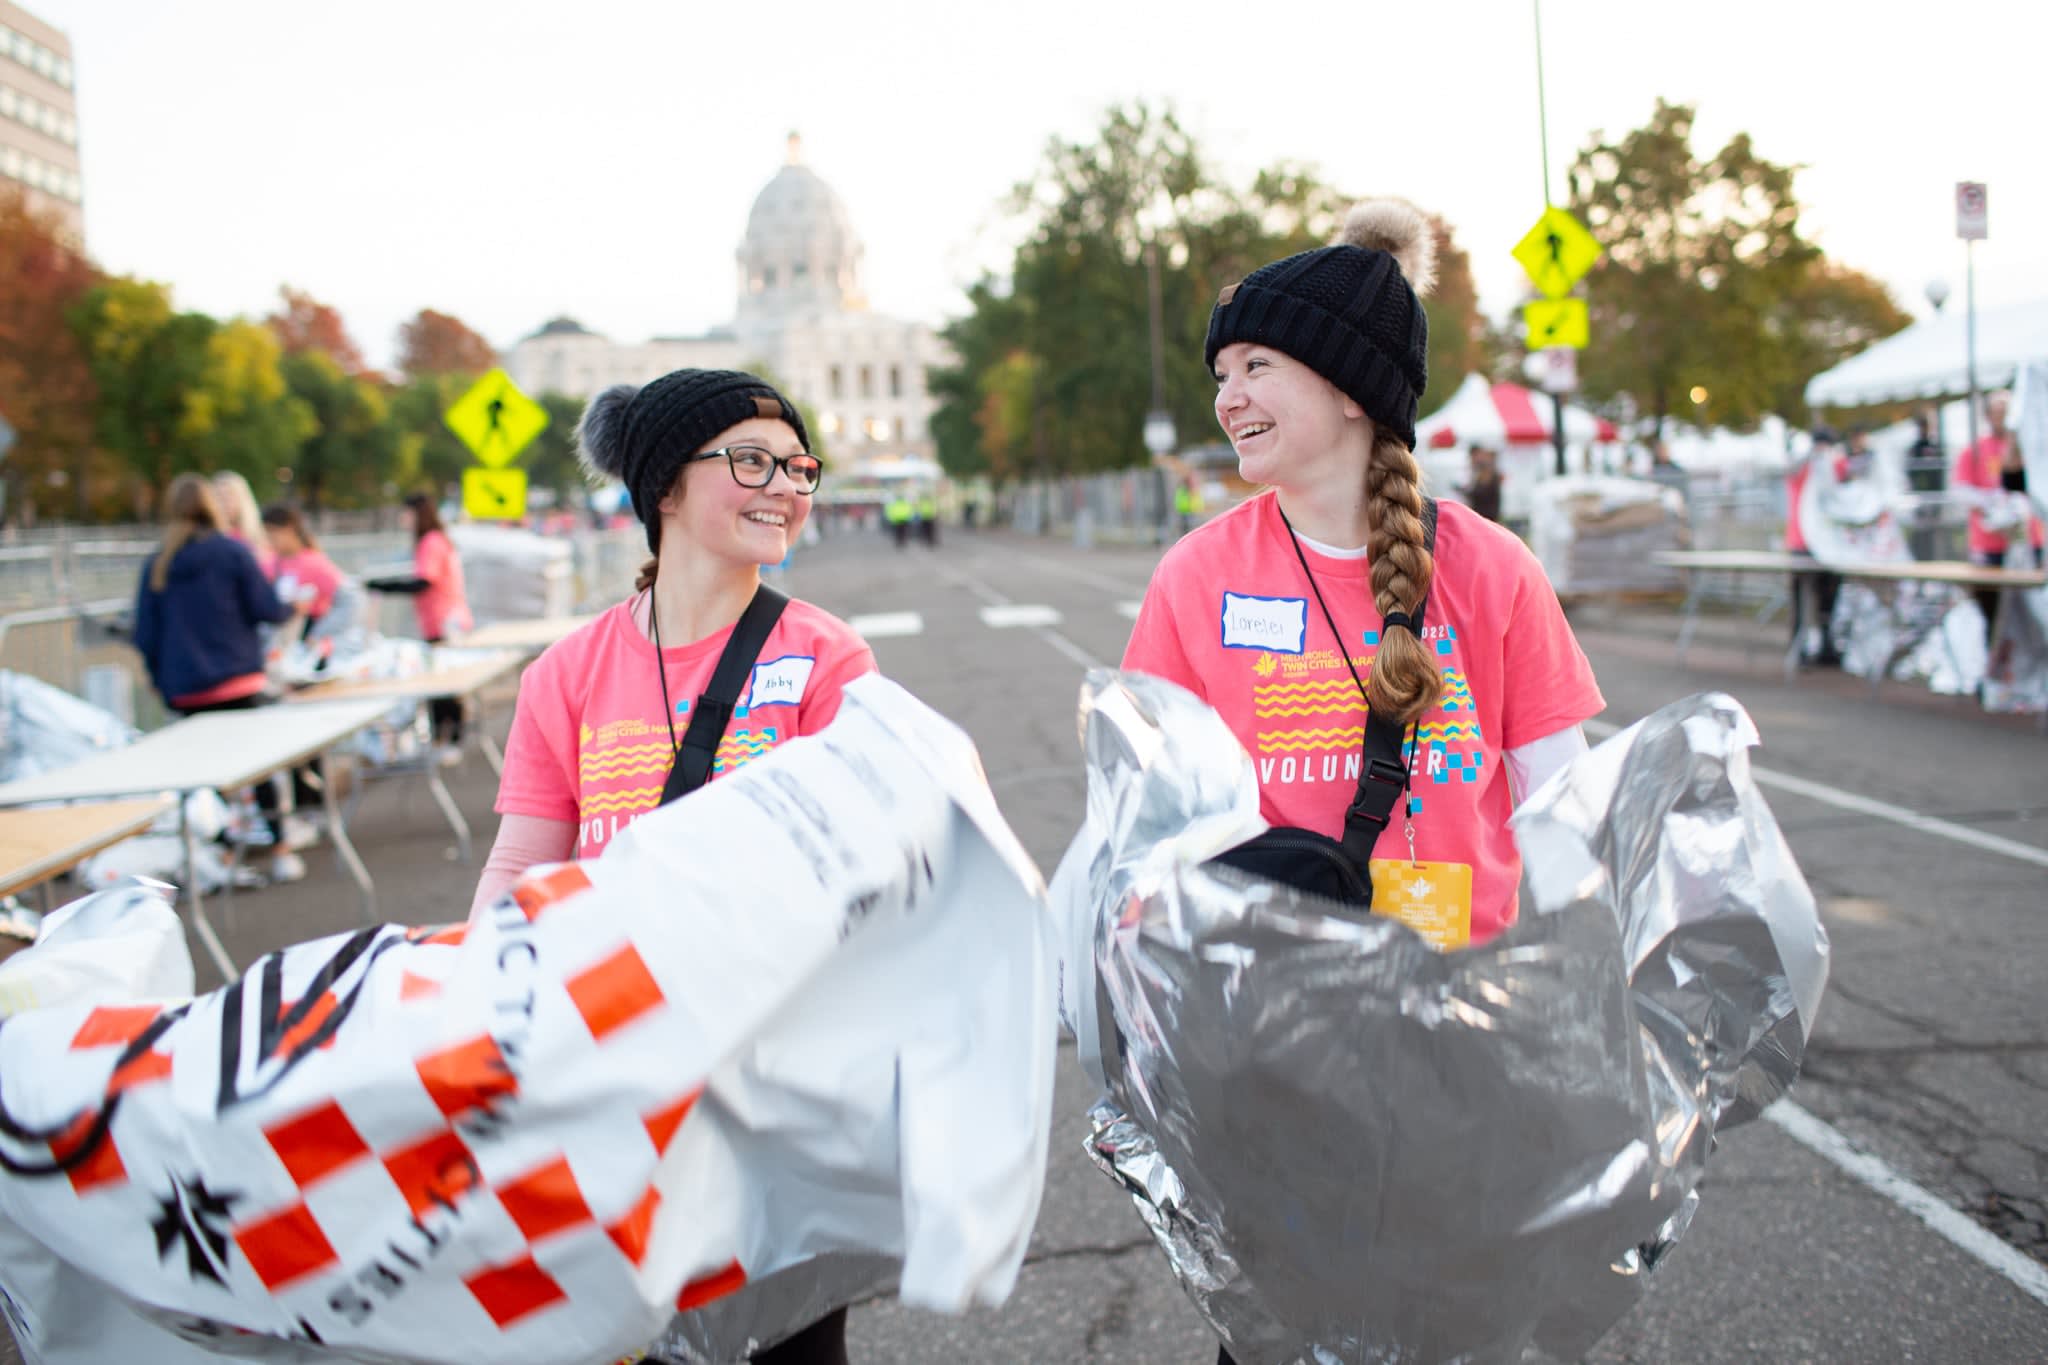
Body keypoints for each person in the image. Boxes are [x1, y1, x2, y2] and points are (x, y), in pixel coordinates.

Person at [473, 369, 876, 1365]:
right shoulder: (565, 674)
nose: (783, 485)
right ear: (661, 490)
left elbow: (871, 870)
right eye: (750, 461)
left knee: (787, 1346)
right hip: (612, 1080)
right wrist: (472, 1010)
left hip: (776, 1083)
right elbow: (521, 862)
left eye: (796, 467)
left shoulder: (827, 660)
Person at [132, 473, 308, 884]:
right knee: (259, 767)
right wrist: (292, 608)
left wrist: (160, 678)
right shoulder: (233, 553)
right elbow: (266, 607)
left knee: (202, 775)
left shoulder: (159, 563)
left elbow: (145, 633)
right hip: (237, 679)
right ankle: (280, 848)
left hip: (185, 688)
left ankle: (223, 853)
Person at [369, 494, 475, 754]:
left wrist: (383, 586)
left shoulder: (430, 542)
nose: (403, 519)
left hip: (442, 621)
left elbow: (424, 580)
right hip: (450, 619)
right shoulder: (440, 539)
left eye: (406, 513)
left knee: (441, 685)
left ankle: (447, 741)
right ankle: (450, 740)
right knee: (447, 682)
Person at [1954, 390, 2045, 637]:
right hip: (1990, 546)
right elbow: (1961, 490)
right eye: (1998, 412)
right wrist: (1991, 503)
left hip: (2030, 542)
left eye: (2006, 412)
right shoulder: (1974, 450)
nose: (2002, 417)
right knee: (1992, 611)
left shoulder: (2030, 448)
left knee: (2033, 612)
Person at [1785, 429, 1843, 668]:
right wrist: (1811, 456)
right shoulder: (1803, 469)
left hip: (1828, 546)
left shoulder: (1834, 466)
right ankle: (1799, 649)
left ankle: (1826, 646)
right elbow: (1790, 471)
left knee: (1828, 597)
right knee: (1801, 599)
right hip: (1801, 543)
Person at [260, 503, 347, 631]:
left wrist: (319, 633)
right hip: (280, 637)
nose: (269, 539)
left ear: (289, 529)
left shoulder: (315, 563)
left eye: (273, 533)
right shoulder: (270, 562)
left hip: (306, 636)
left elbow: (348, 600)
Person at [211, 470, 274, 576]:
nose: (224, 502)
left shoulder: (260, 534)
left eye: (229, 496)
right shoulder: (206, 536)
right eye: (218, 496)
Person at [1458, 444, 1502, 523]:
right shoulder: (1482, 471)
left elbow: (1480, 493)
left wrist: (1465, 492)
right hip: (1484, 517)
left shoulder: (1487, 472)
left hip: (1486, 518)